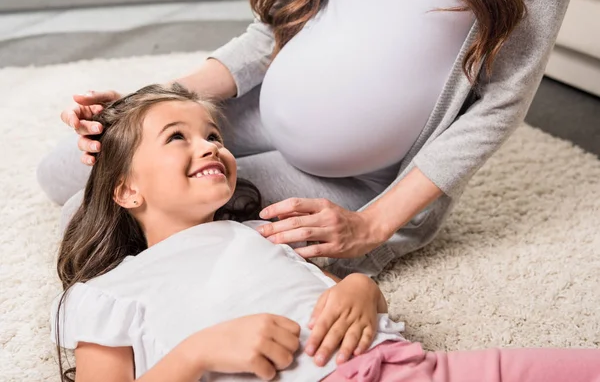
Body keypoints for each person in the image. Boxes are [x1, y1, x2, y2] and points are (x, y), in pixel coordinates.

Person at [52, 85, 600, 382]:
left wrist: (362, 289)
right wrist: (197, 353)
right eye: (177, 137)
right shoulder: (107, 293)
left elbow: (334, 291)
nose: (211, 145)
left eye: (213, 134)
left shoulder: (262, 234)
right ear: (126, 191)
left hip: (403, 368)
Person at [39, 0, 576, 277]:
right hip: (253, 108)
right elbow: (266, 34)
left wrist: (371, 225)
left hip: (368, 182)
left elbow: (500, 104)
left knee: (84, 219)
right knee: (64, 167)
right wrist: (150, 106)